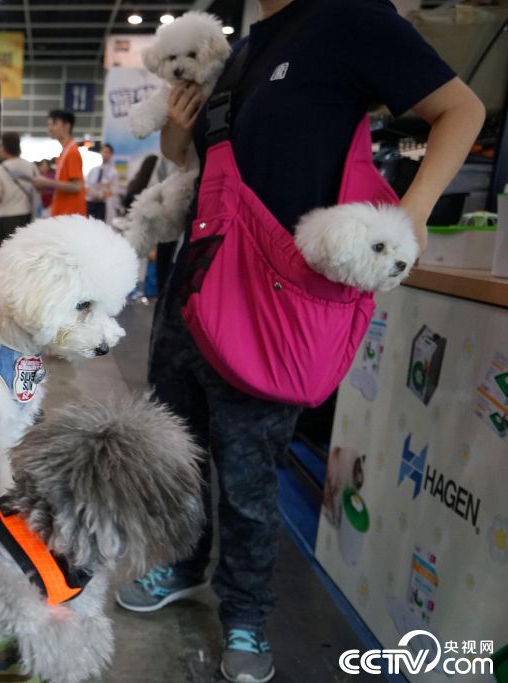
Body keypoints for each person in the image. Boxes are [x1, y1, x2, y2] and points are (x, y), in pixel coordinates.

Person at [115, 1, 484, 682]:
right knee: (176, 452)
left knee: (250, 484)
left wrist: (413, 213)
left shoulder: (348, 19)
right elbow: (186, 156)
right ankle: (186, 562)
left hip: (276, 298)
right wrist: (176, 127)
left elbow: (461, 110)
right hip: (194, 283)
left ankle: (249, 615)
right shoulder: (241, 49)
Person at [27, 110, 86, 217]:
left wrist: (47, 182)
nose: (49, 128)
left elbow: (76, 187)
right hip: (63, 213)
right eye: (48, 124)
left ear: (67, 126)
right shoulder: (64, 152)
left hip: (70, 215)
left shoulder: (72, 152)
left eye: (54, 124)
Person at [0, 132, 38, 239]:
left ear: (5, 147)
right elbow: (36, 189)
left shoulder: (1, 169)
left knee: (7, 249)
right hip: (27, 215)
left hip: (7, 216)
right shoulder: (30, 166)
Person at [84, 143, 117, 221]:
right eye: (104, 151)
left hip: (102, 204)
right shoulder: (93, 170)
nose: (106, 154)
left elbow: (113, 190)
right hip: (90, 202)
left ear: (111, 155)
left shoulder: (113, 172)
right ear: (101, 152)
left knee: (100, 225)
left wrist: (104, 194)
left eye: (108, 152)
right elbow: (86, 186)